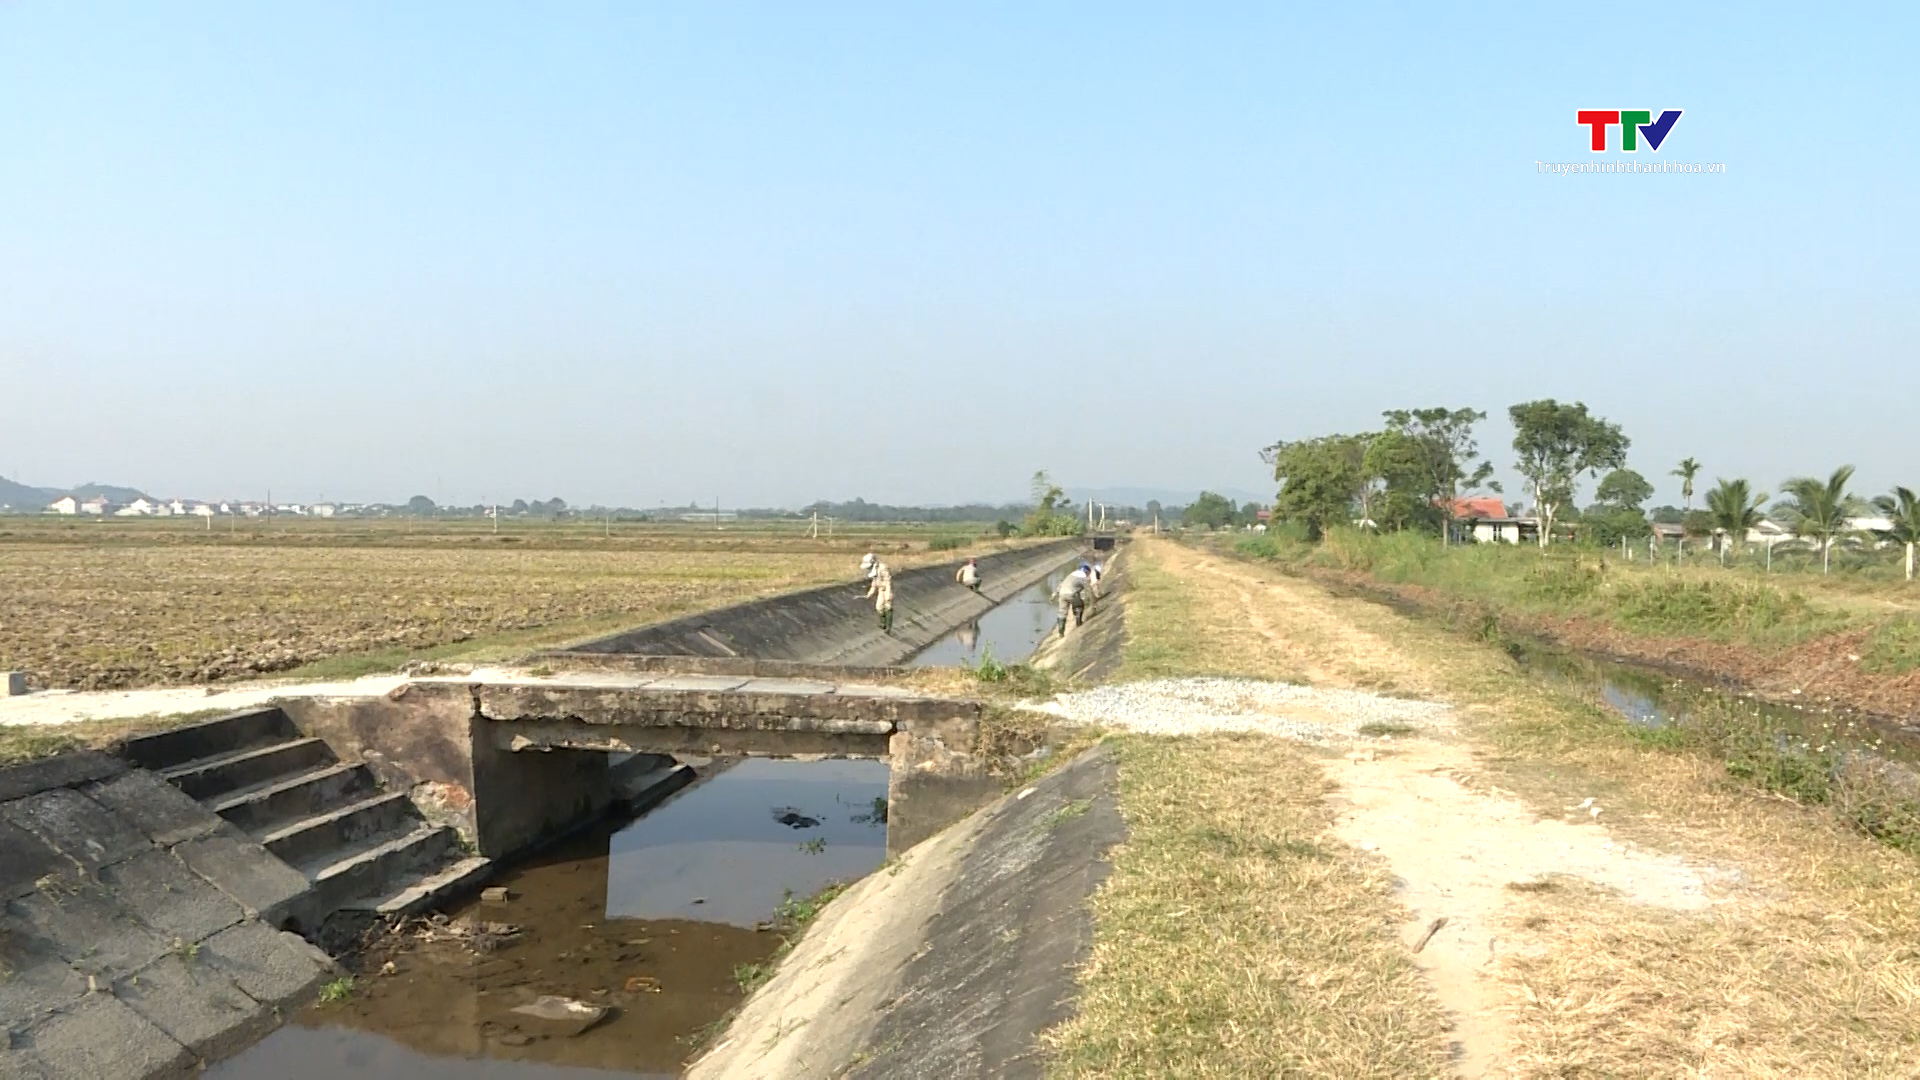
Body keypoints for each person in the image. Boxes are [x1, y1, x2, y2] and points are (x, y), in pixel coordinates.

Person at [1054, 563, 1092, 637]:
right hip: (1071, 593)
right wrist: (1089, 600)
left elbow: (1061, 584)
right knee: (1079, 605)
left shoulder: (1071, 574)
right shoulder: (1083, 577)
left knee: (1062, 612)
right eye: (1088, 573)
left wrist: (1054, 594)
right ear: (1086, 572)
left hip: (1062, 594)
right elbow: (1088, 589)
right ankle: (1078, 622)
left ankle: (1061, 631)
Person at [861, 552, 894, 633]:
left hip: (886, 588)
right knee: (879, 607)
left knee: (888, 606)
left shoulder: (883, 568)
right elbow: (874, 583)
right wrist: (870, 593)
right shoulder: (875, 570)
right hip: (880, 589)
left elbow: (888, 581)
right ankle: (883, 623)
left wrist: (888, 594)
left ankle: (888, 628)